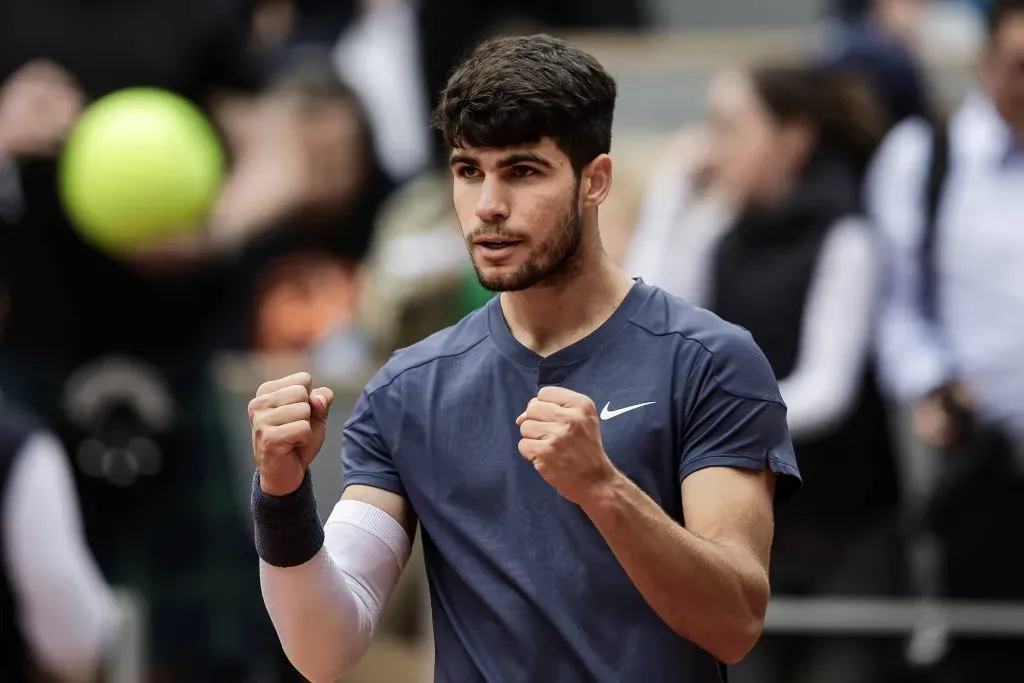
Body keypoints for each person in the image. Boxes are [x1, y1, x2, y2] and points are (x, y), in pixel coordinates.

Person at [248, 34, 802, 682]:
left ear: (595, 181)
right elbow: (324, 649)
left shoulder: (710, 361)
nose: (487, 205)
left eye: (522, 171)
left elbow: (734, 622)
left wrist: (603, 488)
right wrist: (281, 496)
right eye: (467, 170)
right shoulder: (408, 389)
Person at [627, 64, 903, 683]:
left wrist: (717, 420)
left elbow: (828, 389)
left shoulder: (847, 235)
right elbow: (646, 317)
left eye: (728, 127)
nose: (710, 145)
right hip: (749, 527)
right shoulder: (718, 228)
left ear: (792, 140)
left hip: (845, 529)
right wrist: (673, 190)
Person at [868, 0, 1024, 677]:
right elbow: (896, 304)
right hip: (976, 454)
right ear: (987, 60)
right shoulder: (923, 157)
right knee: (976, 648)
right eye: (1021, 65)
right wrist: (931, 383)